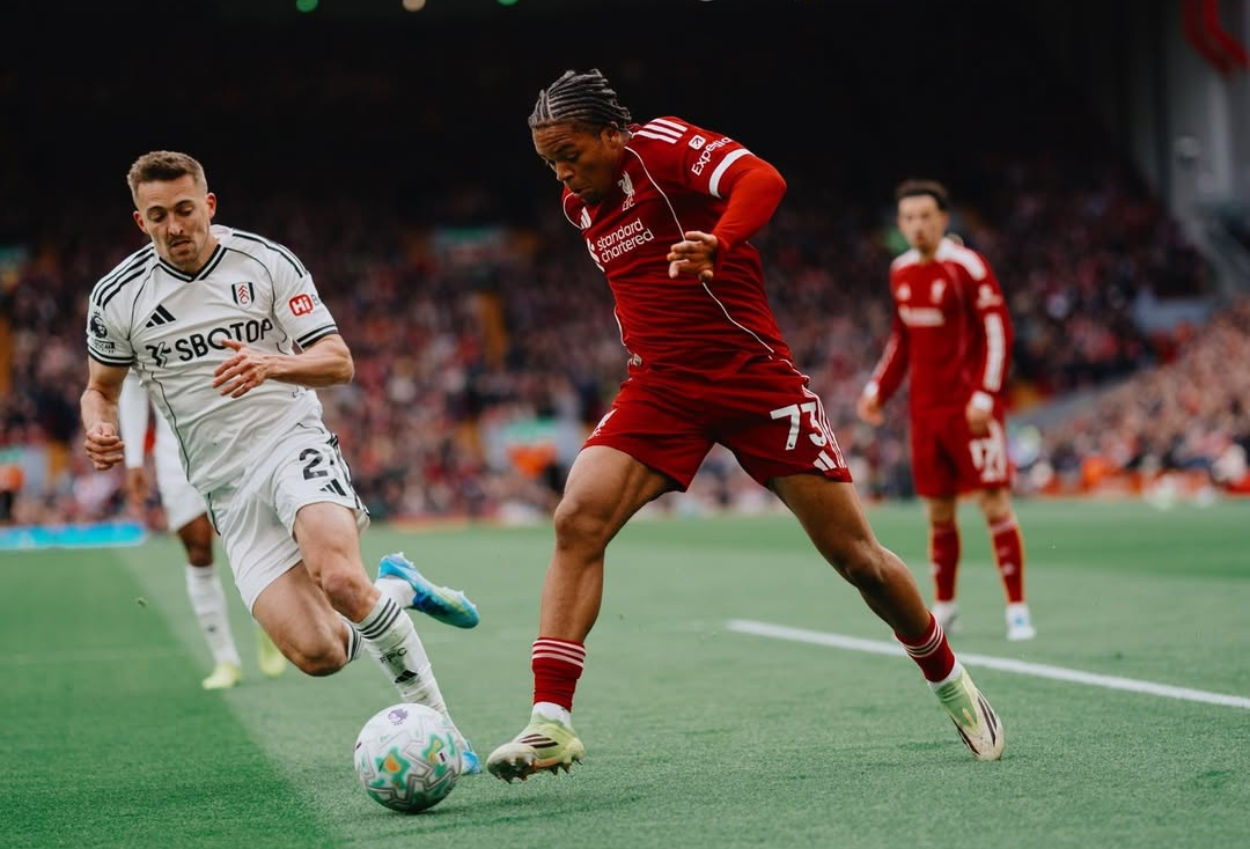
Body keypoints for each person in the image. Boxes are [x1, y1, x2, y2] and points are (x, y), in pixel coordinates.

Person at [485, 69, 1004, 782]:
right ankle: (551, 721)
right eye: (551, 162)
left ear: (613, 134)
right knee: (578, 516)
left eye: (571, 153)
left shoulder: (662, 145)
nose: (564, 173)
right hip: (661, 388)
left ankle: (951, 681)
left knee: (858, 558)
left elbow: (763, 180)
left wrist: (719, 243)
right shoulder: (581, 204)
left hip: (753, 380)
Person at [82, 150, 483, 771]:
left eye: (186, 210)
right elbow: (100, 389)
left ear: (208, 206)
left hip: (290, 441)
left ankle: (445, 733)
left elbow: (339, 361)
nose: (175, 227)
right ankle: (401, 589)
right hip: (225, 489)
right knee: (318, 654)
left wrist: (273, 363)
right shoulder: (117, 298)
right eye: (158, 216)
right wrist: (100, 425)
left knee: (342, 579)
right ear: (140, 221)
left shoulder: (266, 263)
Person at [857, 180, 1035, 642]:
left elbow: (998, 332)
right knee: (938, 511)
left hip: (970, 408)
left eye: (925, 217)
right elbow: (901, 339)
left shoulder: (968, 267)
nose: (917, 225)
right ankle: (947, 605)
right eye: (909, 218)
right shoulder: (900, 271)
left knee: (994, 503)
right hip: (926, 412)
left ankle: (1017, 608)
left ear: (942, 219)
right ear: (900, 224)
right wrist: (879, 387)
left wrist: (985, 394)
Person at [118, 370, 288, 689]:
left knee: (250, 539)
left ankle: (266, 623)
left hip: (234, 440)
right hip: (176, 452)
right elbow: (131, 386)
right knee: (197, 550)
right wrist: (134, 461)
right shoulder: (133, 320)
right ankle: (225, 659)